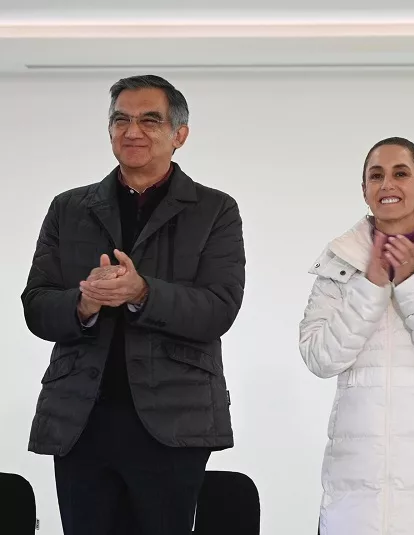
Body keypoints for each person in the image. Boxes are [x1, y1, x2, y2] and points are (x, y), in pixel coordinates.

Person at [21, 74, 246, 535]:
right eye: (120, 120)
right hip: (81, 419)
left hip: (173, 421)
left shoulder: (215, 210)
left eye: (149, 120)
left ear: (179, 135)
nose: (132, 131)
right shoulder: (69, 208)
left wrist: (143, 292)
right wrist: (84, 303)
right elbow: (36, 305)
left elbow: (218, 309)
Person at [299, 137, 414, 535]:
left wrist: (411, 282)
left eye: (401, 173)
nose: (387, 185)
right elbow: (319, 357)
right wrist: (370, 286)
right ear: (364, 189)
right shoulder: (339, 260)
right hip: (354, 489)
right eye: (376, 175)